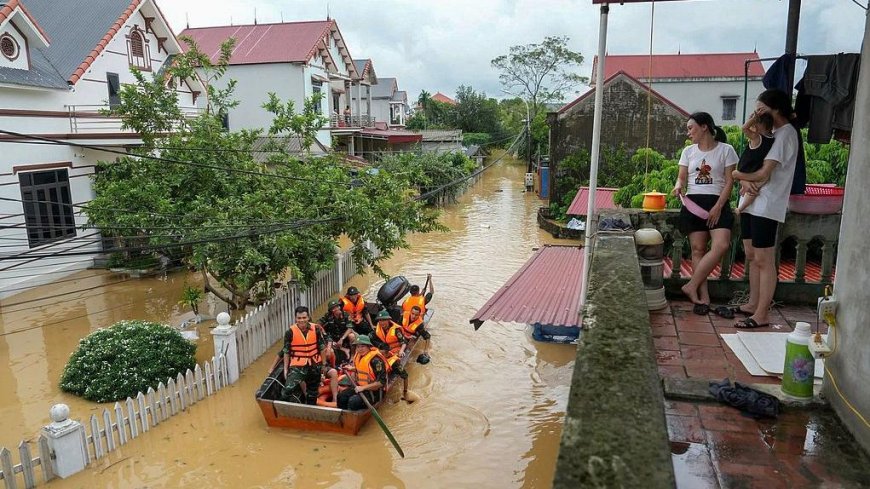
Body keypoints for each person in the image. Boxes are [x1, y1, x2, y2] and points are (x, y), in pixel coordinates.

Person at [731, 89, 800, 329]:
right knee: (751, 255)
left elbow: (763, 173)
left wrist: (738, 175)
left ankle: (762, 314)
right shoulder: (769, 134)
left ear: (776, 109)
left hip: (768, 204)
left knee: (764, 258)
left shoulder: (786, 135)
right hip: (752, 201)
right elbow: (753, 163)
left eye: (761, 109)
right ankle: (752, 303)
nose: (758, 113)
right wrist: (743, 179)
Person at [671, 112, 739, 315]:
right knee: (698, 249)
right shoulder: (688, 152)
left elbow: (729, 182)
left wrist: (718, 206)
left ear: (704, 127)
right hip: (693, 202)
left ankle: (691, 285)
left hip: (718, 201)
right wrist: (678, 187)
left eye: (691, 127)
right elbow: (682, 178)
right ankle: (703, 297)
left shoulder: (726, 150)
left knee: (721, 245)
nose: (688, 132)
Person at [281, 306, 334, 405]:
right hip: (298, 366)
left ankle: (310, 407)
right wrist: (285, 369)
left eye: (304, 317)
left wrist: (323, 365)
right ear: (296, 318)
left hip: (314, 364)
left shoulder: (316, 329)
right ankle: (289, 409)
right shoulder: (290, 332)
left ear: (308, 317)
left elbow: (322, 347)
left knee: (313, 392)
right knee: (287, 390)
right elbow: (286, 352)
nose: (302, 320)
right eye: (299, 318)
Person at [735, 111, 776, 214]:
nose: (752, 125)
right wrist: (753, 119)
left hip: (750, 168)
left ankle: (741, 206)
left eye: (754, 123)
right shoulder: (768, 138)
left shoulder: (759, 137)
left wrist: (753, 119)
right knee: (754, 188)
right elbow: (745, 128)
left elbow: (744, 128)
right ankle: (741, 206)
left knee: (753, 188)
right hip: (750, 169)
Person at [337, 335, 388, 411]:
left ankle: (353, 418)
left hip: (374, 392)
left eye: (362, 346)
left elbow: (381, 382)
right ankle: (343, 417)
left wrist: (363, 388)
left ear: (368, 346)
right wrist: (352, 369)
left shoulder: (376, 361)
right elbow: (364, 371)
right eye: (358, 347)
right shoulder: (359, 355)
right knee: (341, 396)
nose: (360, 349)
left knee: (353, 401)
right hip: (359, 387)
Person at [319, 299, 356, 365]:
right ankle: (344, 349)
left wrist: (342, 339)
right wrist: (324, 333)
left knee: (352, 336)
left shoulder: (345, 314)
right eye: (333, 308)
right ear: (331, 310)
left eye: (337, 307)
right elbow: (318, 324)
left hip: (344, 337)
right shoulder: (328, 316)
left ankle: (352, 356)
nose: (336, 309)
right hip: (333, 338)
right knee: (325, 341)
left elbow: (350, 328)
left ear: (339, 307)